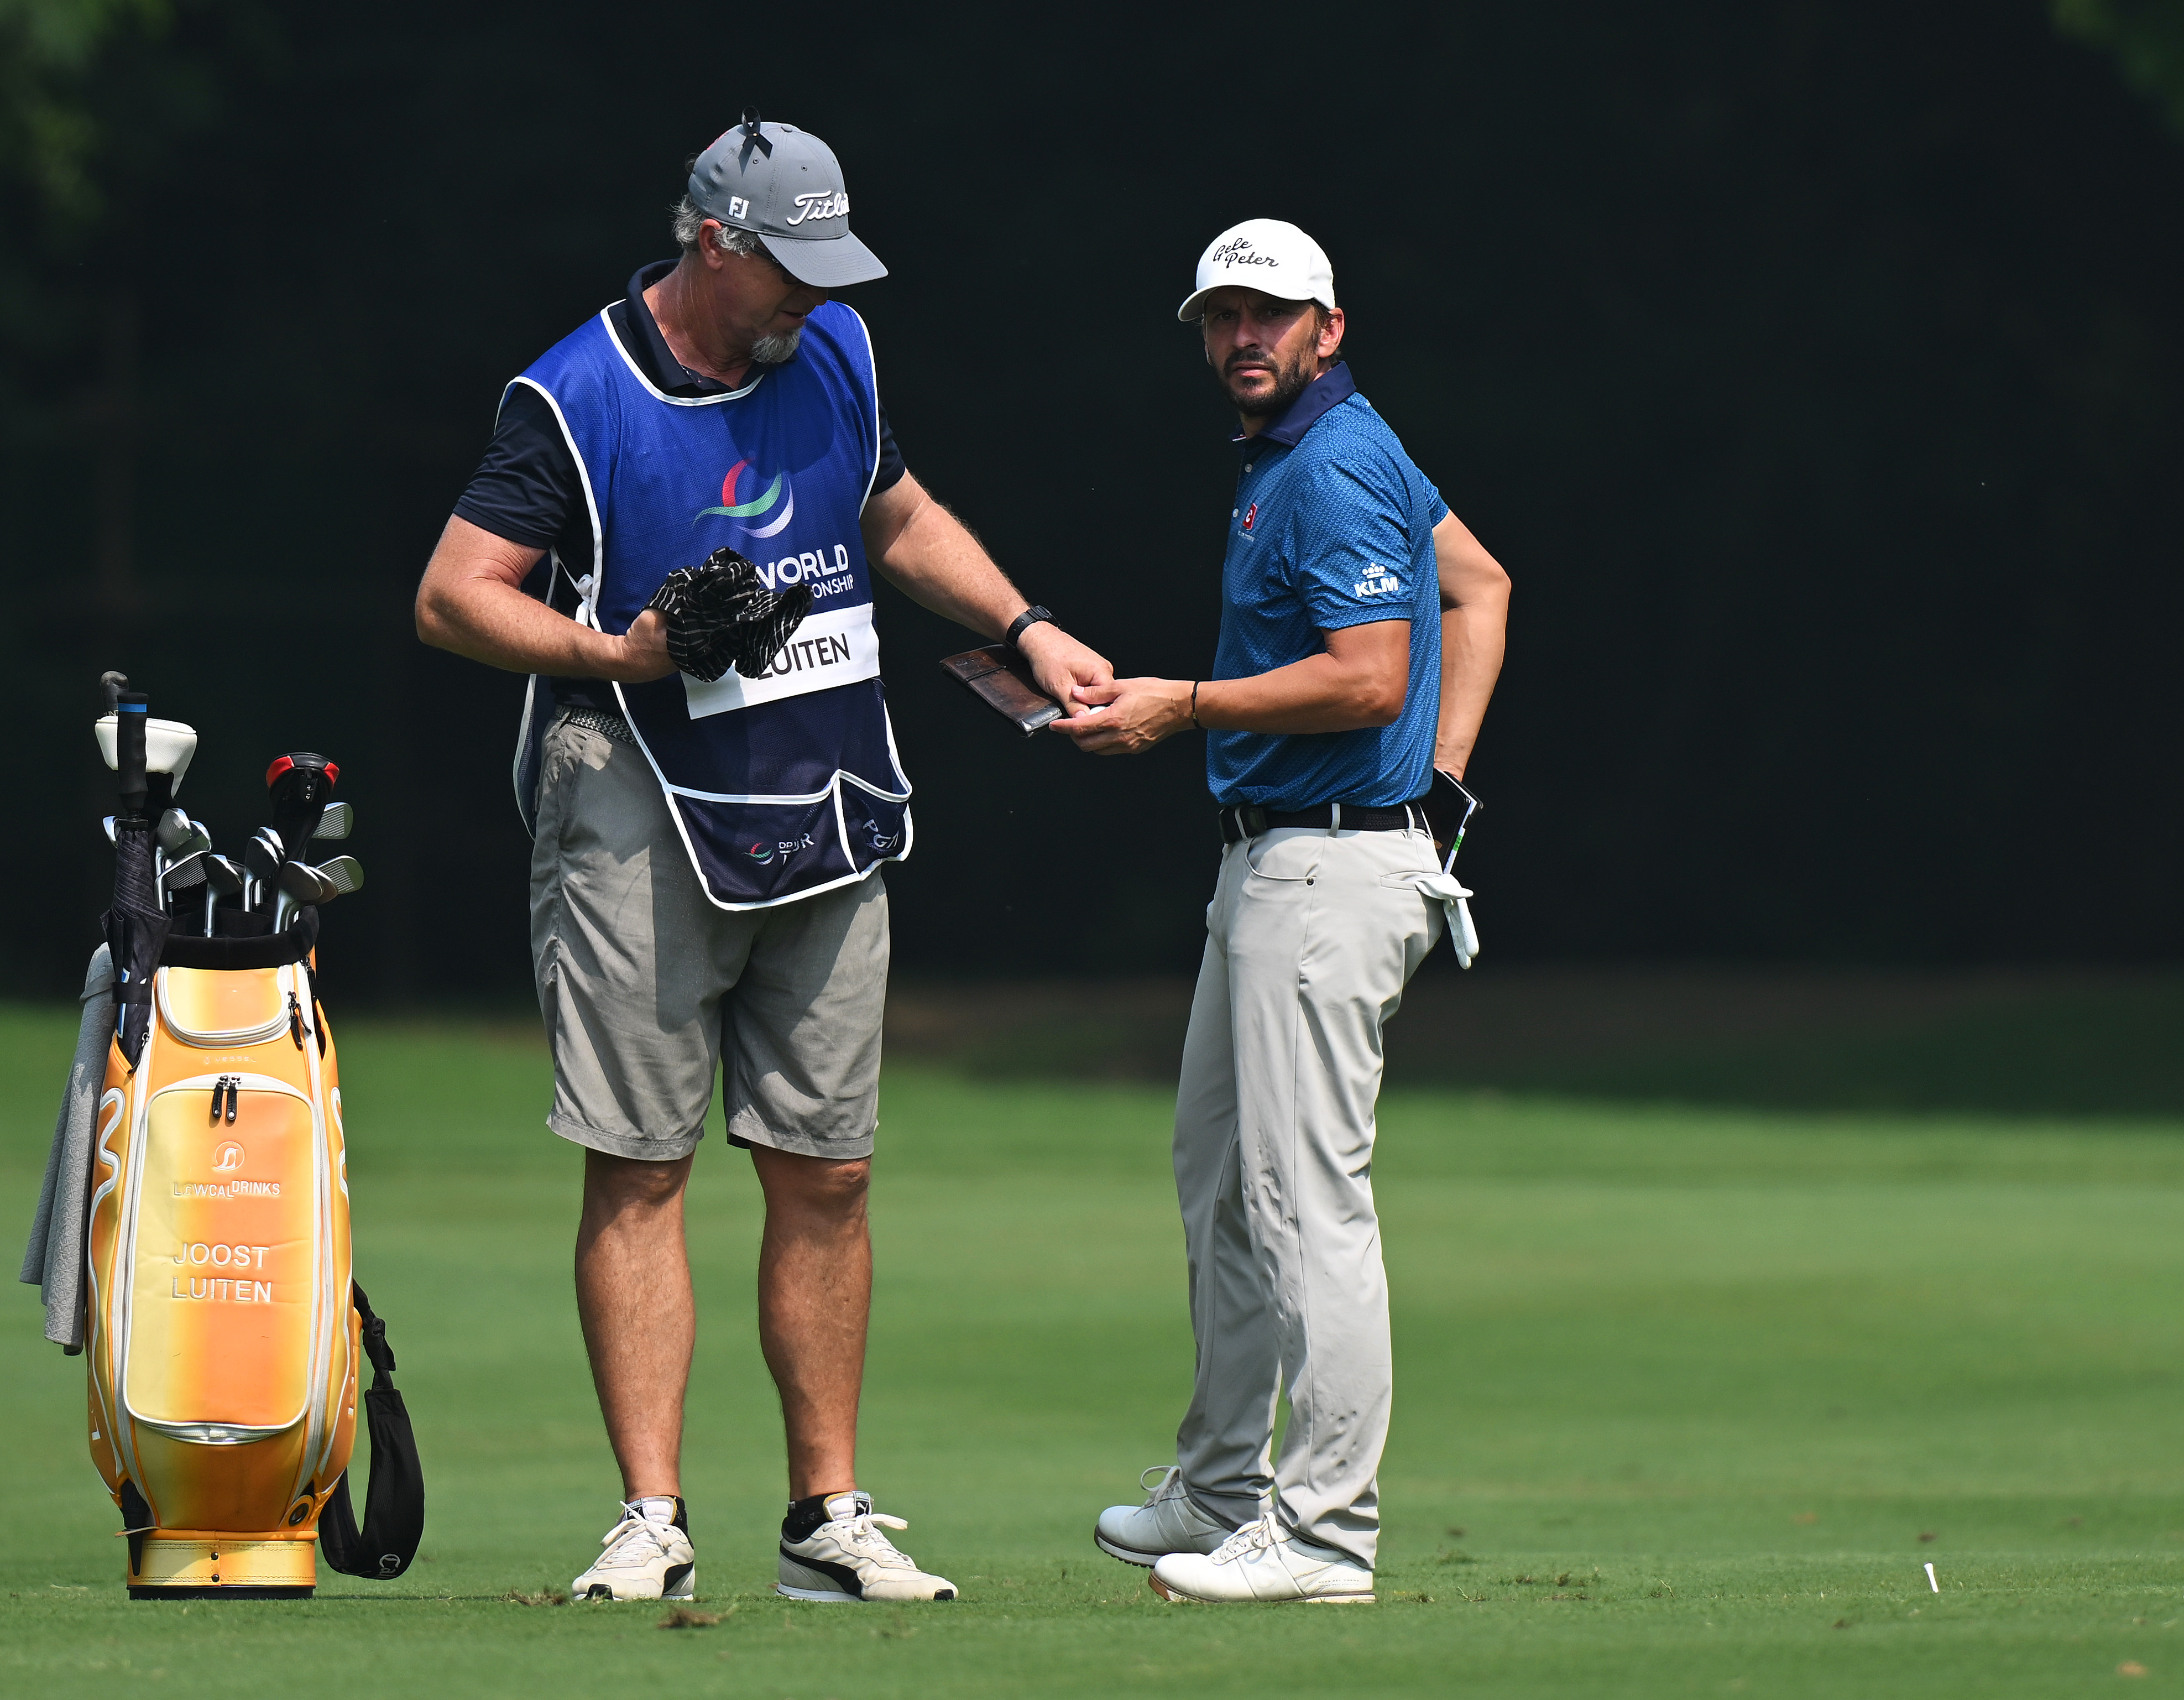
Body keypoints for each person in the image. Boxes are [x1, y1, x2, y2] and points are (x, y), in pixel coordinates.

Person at [413, 117, 1111, 1604]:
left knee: (831, 1168)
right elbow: (453, 595)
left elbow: (893, 514)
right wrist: (617, 648)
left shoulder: (838, 352)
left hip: (826, 791)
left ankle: (826, 1518)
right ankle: (649, 1516)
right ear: (715, 241)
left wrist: (1024, 626)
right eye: (787, 266)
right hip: (637, 803)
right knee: (643, 1161)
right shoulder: (576, 391)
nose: (812, 295)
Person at [1060, 218, 1512, 1603]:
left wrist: (1184, 703)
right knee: (1223, 1185)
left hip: (1322, 870)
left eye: (1269, 315)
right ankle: (1218, 1489)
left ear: (1326, 328)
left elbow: (1372, 676)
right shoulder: (1314, 454)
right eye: (1220, 316)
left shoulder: (1331, 465)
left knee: (1304, 1198)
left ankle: (1321, 1536)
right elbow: (1482, 586)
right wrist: (1445, 783)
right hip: (1279, 863)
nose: (1241, 337)